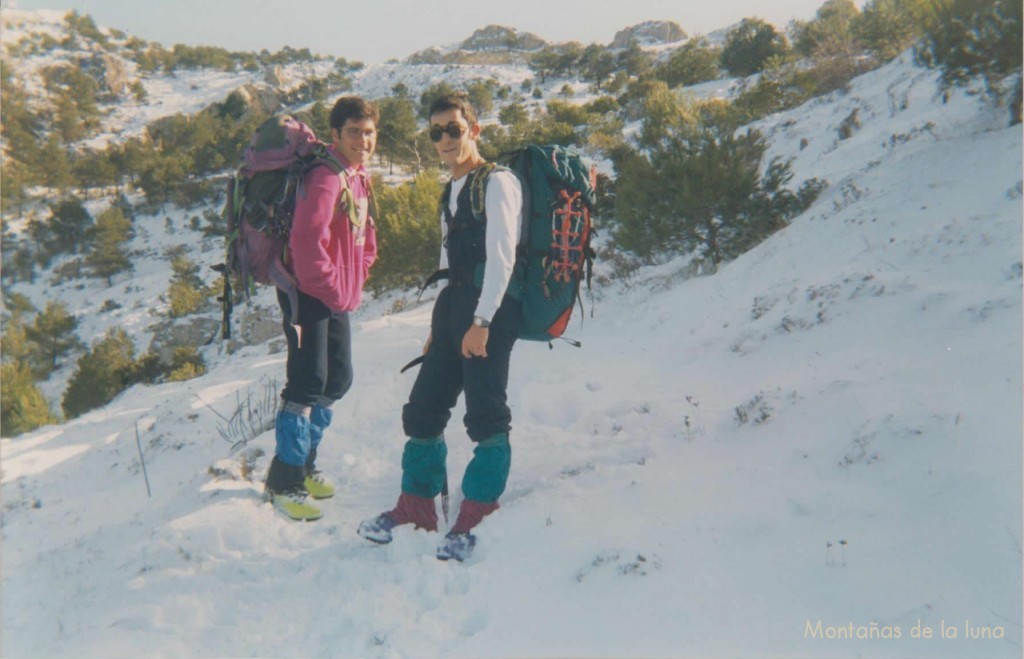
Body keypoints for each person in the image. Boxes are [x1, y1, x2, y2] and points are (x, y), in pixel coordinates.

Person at [358, 93, 524, 561]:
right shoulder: (449, 189)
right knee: (424, 409)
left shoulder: (498, 182)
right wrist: (438, 324)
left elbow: (503, 257)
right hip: (454, 310)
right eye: (436, 132)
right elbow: (447, 263)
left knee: (486, 414)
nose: (445, 139)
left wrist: (482, 321)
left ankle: (477, 512)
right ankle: (416, 508)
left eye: (453, 128)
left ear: (475, 130)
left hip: (489, 310)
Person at [264, 96, 379, 521]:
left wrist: (357, 277)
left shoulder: (357, 175)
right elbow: (305, 242)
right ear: (335, 135)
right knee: (307, 380)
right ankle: (285, 479)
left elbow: (366, 237)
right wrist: (332, 286)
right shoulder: (326, 177)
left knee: (339, 378)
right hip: (305, 294)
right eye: (354, 132)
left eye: (368, 132)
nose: (363, 141)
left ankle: (306, 463)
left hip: (333, 295)